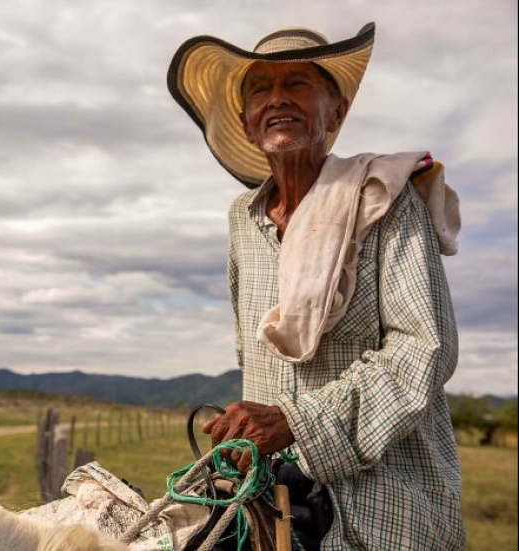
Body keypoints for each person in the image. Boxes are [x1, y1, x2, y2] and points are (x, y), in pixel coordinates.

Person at [167, 22, 465, 550]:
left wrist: (296, 422)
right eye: (260, 89)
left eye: (297, 84)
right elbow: (255, 360)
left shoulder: (383, 200)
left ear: (337, 111)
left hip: (383, 511)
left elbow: (423, 350)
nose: (277, 100)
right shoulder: (243, 220)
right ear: (246, 118)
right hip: (274, 509)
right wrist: (249, 432)